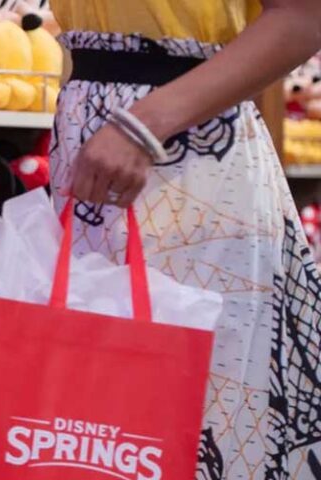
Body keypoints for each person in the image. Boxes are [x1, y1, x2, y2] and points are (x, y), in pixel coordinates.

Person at [48, 0, 321, 478]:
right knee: (93, 425)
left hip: (183, 153)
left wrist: (143, 126)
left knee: (200, 413)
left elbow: (306, 15)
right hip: (90, 140)